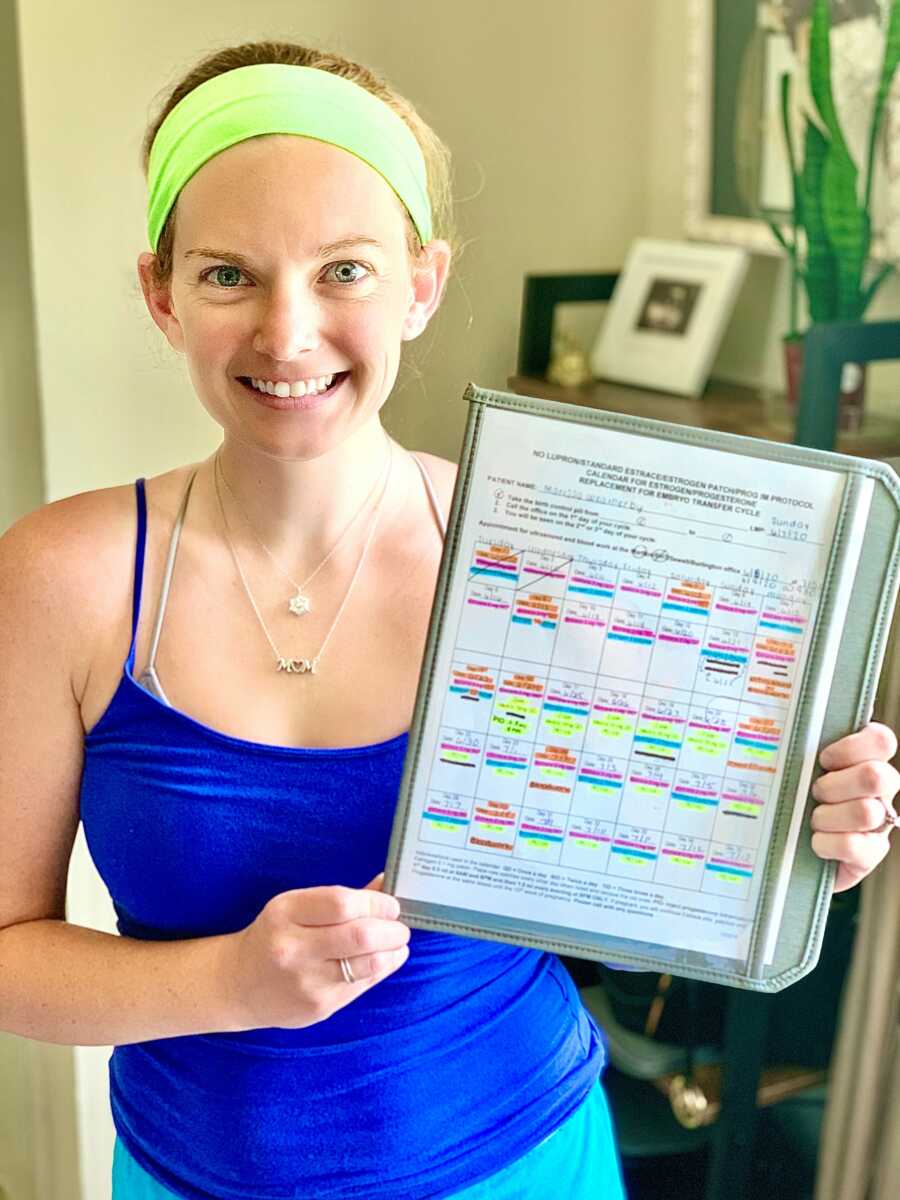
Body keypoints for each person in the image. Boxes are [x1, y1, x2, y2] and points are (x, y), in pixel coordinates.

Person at [0, 38, 898, 1200]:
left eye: (346, 271)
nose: (286, 333)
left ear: (422, 284)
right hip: (193, 1176)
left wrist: (809, 838)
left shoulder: (542, 547)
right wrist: (230, 984)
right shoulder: (59, 579)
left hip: (530, 1159)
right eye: (229, 273)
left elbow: (667, 833)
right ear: (161, 293)